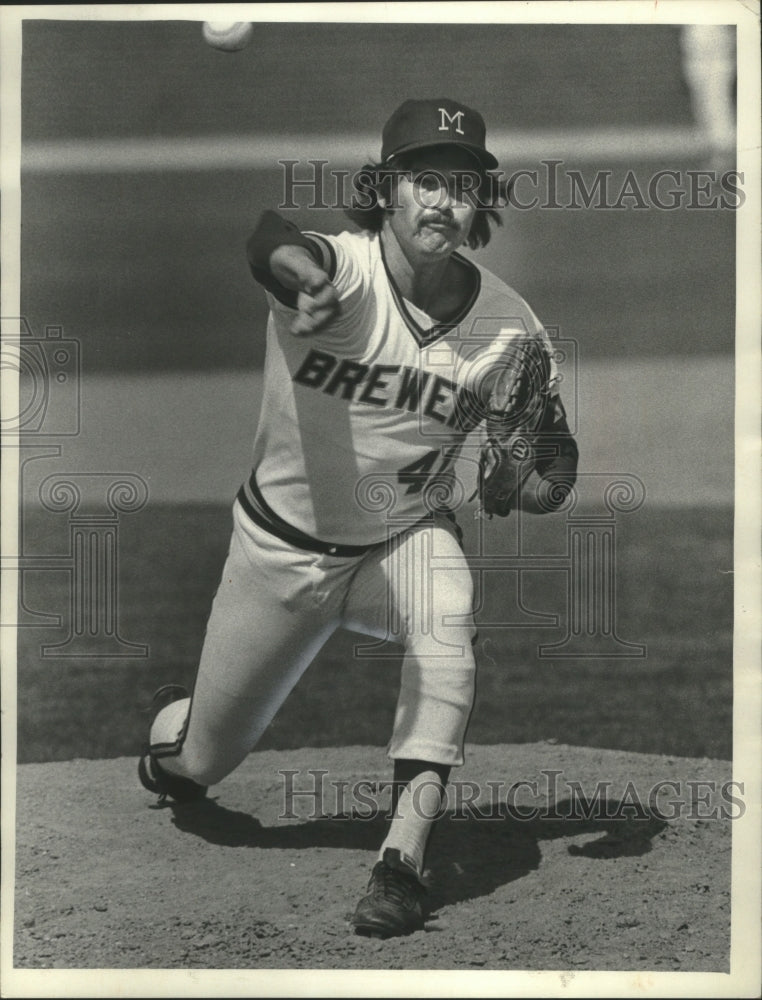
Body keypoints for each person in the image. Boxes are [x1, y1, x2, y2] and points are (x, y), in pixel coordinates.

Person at [138, 97, 578, 939]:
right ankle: (176, 727)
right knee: (199, 763)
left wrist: (524, 469)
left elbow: (546, 476)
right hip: (277, 557)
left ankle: (402, 861)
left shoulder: (513, 329)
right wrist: (299, 283)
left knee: (448, 617)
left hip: (398, 544)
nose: (441, 202)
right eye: (422, 180)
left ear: (481, 202)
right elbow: (272, 239)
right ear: (386, 189)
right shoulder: (338, 273)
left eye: (460, 184)